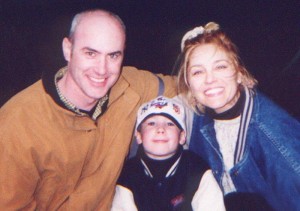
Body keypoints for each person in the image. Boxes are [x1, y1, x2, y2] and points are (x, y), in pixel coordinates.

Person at [0, 9, 176, 210]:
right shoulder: (16, 125)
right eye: (90, 53)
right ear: (68, 49)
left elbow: (190, 88)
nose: (102, 69)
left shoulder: (129, 86)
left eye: (113, 55)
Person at [176, 22, 300, 210]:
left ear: (239, 73)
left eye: (220, 67)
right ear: (189, 83)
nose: (209, 79)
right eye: (198, 71)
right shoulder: (200, 114)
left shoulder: (273, 134)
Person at [111, 96, 225, 211]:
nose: (160, 129)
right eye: (151, 123)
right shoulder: (129, 172)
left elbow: (213, 206)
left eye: (170, 124)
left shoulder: (197, 168)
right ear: (139, 136)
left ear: (182, 137)